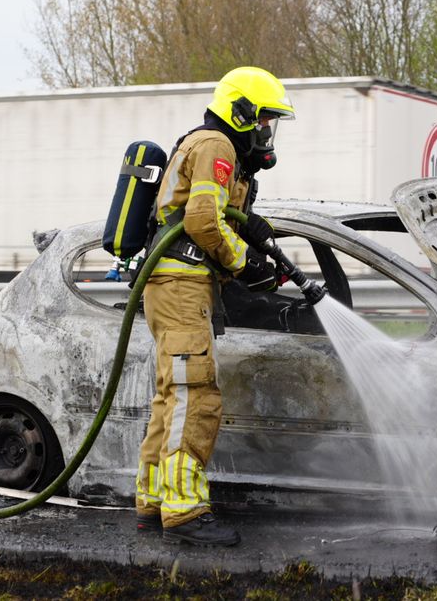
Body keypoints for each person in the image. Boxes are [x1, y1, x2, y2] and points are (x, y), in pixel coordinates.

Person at [134, 66, 293, 546]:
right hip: (181, 284)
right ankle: (183, 511)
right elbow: (204, 219)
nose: (268, 132)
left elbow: (215, 214)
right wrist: (247, 265)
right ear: (241, 113)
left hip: (174, 284)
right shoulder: (216, 146)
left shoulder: (211, 147)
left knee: (171, 395)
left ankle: (154, 500)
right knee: (196, 394)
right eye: (264, 120)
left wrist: (253, 235)